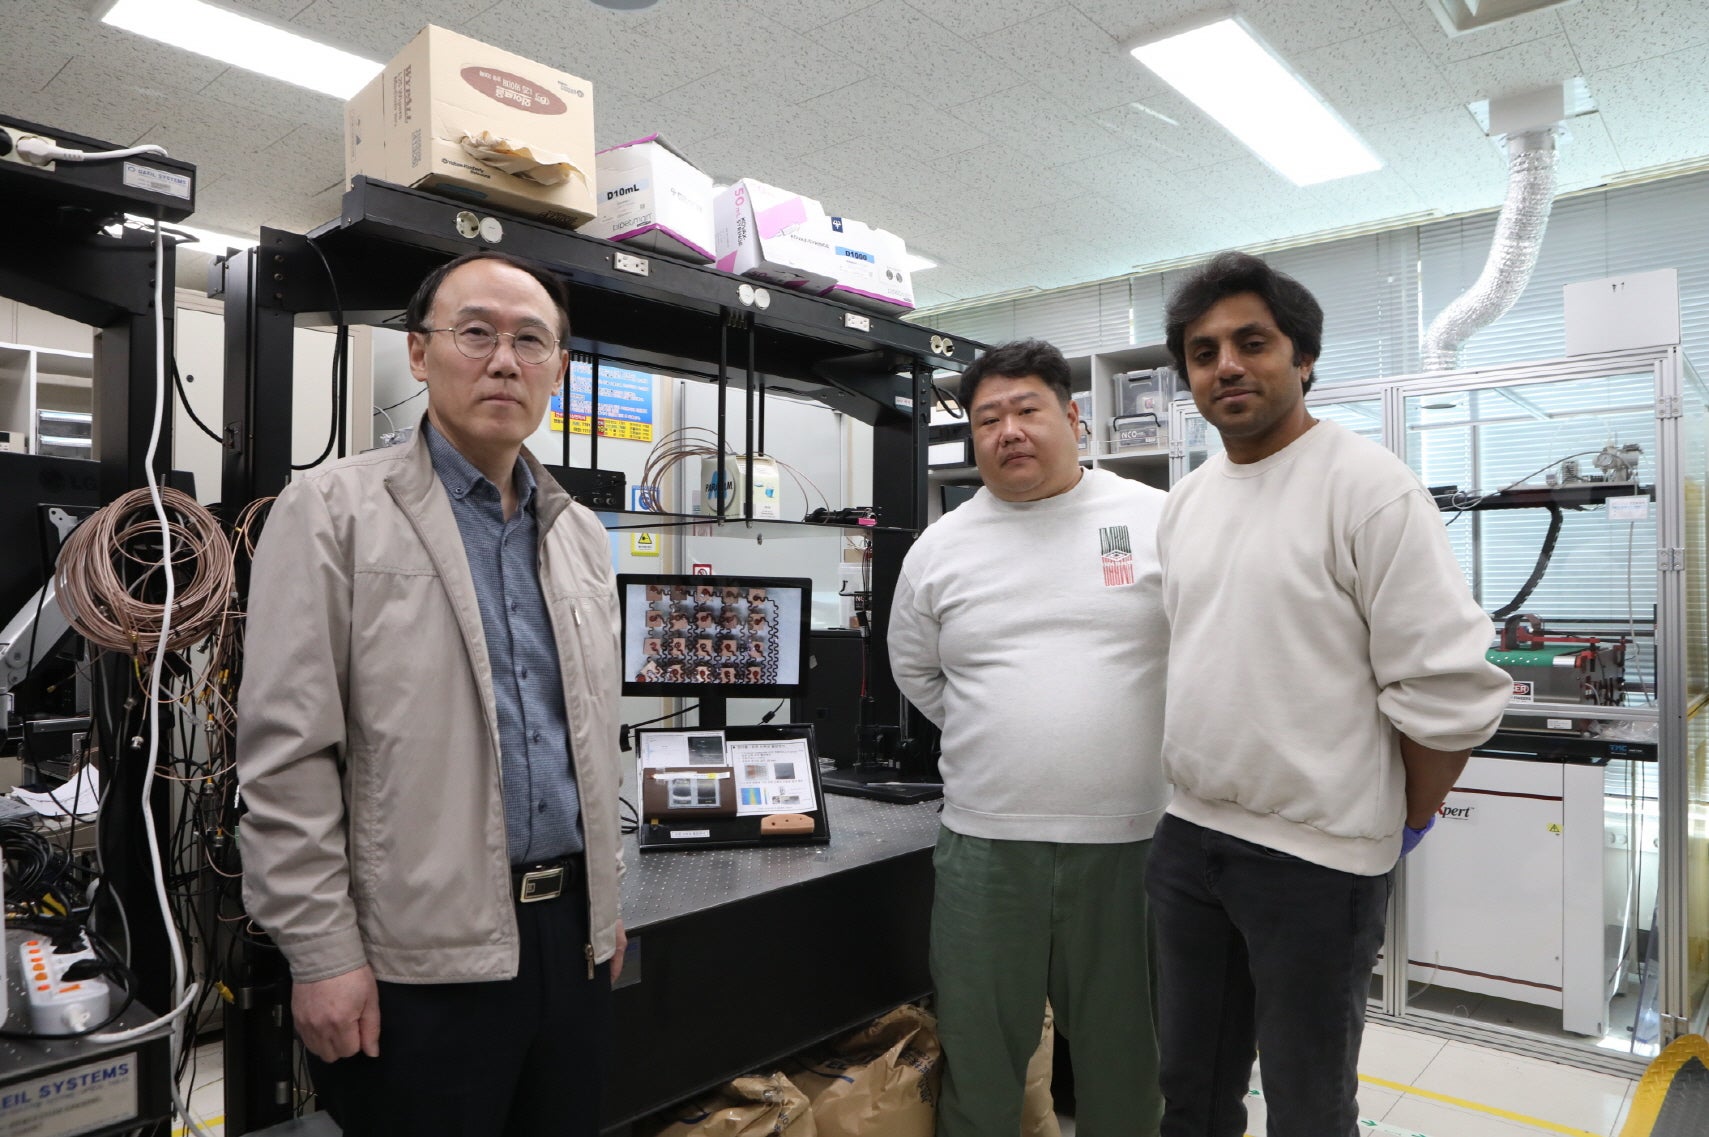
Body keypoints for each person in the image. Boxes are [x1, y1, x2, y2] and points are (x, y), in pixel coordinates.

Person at [237, 250, 626, 1136]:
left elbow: (594, 741)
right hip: (415, 963)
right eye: (475, 333)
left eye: (532, 341)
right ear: (419, 353)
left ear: (558, 370)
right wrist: (322, 952)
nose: (504, 361)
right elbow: (287, 755)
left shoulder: (580, 535)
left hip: (572, 944)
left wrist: (606, 907)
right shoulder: (332, 511)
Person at [1149, 251, 1511, 1137]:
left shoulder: (1367, 487)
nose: (1226, 365)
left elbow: (1449, 689)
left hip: (1315, 861)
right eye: (1202, 352)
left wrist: (1402, 818)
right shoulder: (1186, 500)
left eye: (1251, 342)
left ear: (1303, 357)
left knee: (1309, 1108)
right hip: (1189, 838)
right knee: (1189, 1094)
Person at [888, 338, 1169, 1137]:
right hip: (985, 847)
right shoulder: (939, 547)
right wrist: (1006, 727)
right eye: (987, 419)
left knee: (1128, 1064)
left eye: (1026, 410)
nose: (1007, 430)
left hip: (1131, 842)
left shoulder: (1152, 518)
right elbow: (919, 673)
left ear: (1073, 417)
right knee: (979, 1061)